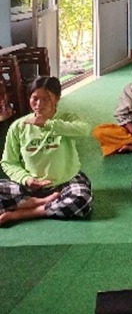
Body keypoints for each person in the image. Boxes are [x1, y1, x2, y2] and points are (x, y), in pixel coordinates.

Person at [0, 77, 92, 225]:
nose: (39, 104)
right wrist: (27, 179)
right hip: (29, 188)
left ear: (57, 99)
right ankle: (39, 202)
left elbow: (84, 130)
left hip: (65, 183)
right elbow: (8, 162)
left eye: (46, 99)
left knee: (81, 199)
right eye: (35, 98)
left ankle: (22, 213)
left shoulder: (66, 119)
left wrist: (48, 124)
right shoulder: (18, 126)